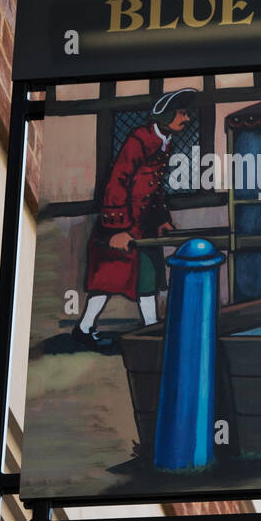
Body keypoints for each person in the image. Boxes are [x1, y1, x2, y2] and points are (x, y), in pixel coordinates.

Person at [73, 88, 197, 352]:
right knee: (107, 280)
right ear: (166, 115)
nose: (187, 118)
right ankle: (84, 328)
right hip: (121, 226)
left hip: (143, 226)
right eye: (182, 112)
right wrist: (119, 229)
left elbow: (154, 188)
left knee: (147, 279)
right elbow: (116, 183)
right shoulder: (139, 140)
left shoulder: (164, 142)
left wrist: (162, 219)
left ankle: (151, 327)